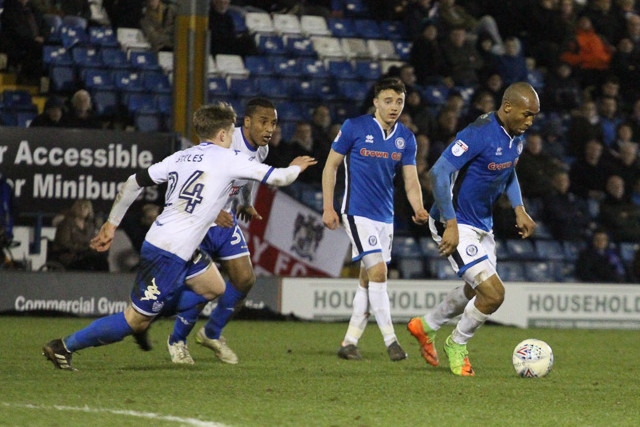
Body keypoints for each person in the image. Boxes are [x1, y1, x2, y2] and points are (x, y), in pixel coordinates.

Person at [42, 102, 317, 370]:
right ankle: (64, 346)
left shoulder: (181, 156)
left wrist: (111, 225)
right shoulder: (229, 158)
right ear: (222, 134)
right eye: (230, 132)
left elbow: (133, 182)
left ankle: (156, 315)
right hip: (168, 250)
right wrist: (297, 166)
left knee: (214, 287)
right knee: (134, 321)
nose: (233, 136)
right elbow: (281, 178)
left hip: (169, 237)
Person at [407, 82, 539, 376]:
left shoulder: (515, 137)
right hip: (453, 220)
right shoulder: (478, 133)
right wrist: (450, 224)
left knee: (474, 289)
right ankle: (457, 343)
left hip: (482, 224)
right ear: (508, 108)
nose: (530, 122)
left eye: (534, 117)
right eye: (527, 114)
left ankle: (426, 325)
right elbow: (438, 172)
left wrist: (519, 208)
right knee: (493, 294)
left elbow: (509, 170)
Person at [139, 97, 280, 364]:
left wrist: (246, 203)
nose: (269, 128)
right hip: (201, 221)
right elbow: (191, 179)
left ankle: (211, 333)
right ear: (247, 122)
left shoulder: (261, 150)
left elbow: (250, 175)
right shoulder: (225, 139)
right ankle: (174, 339)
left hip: (226, 224)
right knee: (202, 288)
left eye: (273, 122)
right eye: (264, 121)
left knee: (244, 279)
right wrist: (214, 212)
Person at [322, 77, 430, 362]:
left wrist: (418, 207)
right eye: (388, 101)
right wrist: (328, 207)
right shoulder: (354, 127)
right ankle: (391, 341)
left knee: (367, 280)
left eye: (399, 102)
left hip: (385, 217)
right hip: (356, 211)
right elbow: (331, 166)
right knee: (379, 272)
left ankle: (349, 342)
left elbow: (410, 180)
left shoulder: (405, 137)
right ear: (375, 102)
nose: (394, 107)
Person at [49, 199, 110, 271]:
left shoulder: (90, 226)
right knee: (93, 261)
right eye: (80, 206)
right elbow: (64, 243)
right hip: (69, 256)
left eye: (85, 207)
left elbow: (93, 241)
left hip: (86, 255)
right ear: (74, 208)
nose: (82, 209)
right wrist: (83, 248)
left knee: (102, 260)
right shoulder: (66, 223)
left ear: (89, 210)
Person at [0, 0, 49, 84]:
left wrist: (43, 37)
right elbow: (16, 30)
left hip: (36, 42)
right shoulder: (9, 10)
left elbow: (45, 26)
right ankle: (27, 77)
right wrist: (33, 38)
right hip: (17, 43)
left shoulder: (34, 9)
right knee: (36, 47)